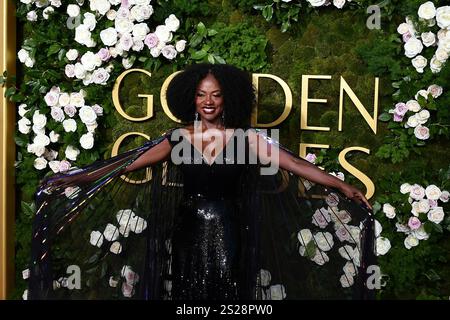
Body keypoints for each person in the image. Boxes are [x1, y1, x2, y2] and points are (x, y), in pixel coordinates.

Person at [28, 63, 375, 300]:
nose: (208, 102)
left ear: (228, 99)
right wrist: (79, 177)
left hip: (230, 228)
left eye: (216, 95)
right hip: (187, 230)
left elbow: (296, 165)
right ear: (191, 98)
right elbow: (126, 165)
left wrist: (340, 184)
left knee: (227, 292)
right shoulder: (178, 137)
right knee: (187, 293)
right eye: (201, 95)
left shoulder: (247, 139)